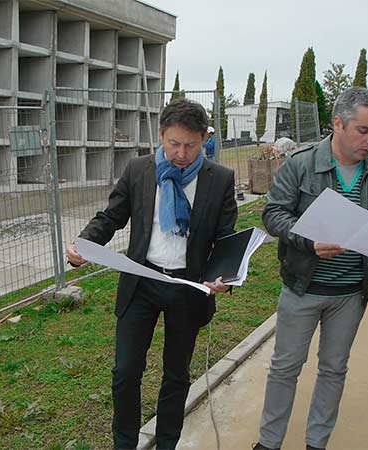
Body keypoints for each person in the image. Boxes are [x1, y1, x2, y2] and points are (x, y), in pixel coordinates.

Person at [66, 99, 237, 450]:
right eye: (173, 143)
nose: (181, 153)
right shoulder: (139, 170)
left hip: (187, 288)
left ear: (205, 139)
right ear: (161, 135)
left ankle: (167, 442)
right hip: (141, 282)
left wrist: (224, 277)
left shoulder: (219, 179)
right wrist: (84, 244)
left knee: (176, 375)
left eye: (191, 145)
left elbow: (225, 239)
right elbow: (112, 216)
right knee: (125, 372)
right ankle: (125, 443)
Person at [254, 87, 368, 450]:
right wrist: (308, 241)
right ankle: (268, 443)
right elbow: (273, 214)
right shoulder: (301, 164)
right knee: (285, 368)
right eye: (363, 130)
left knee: (334, 370)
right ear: (338, 123)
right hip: (302, 288)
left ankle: (316, 442)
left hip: (351, 294)